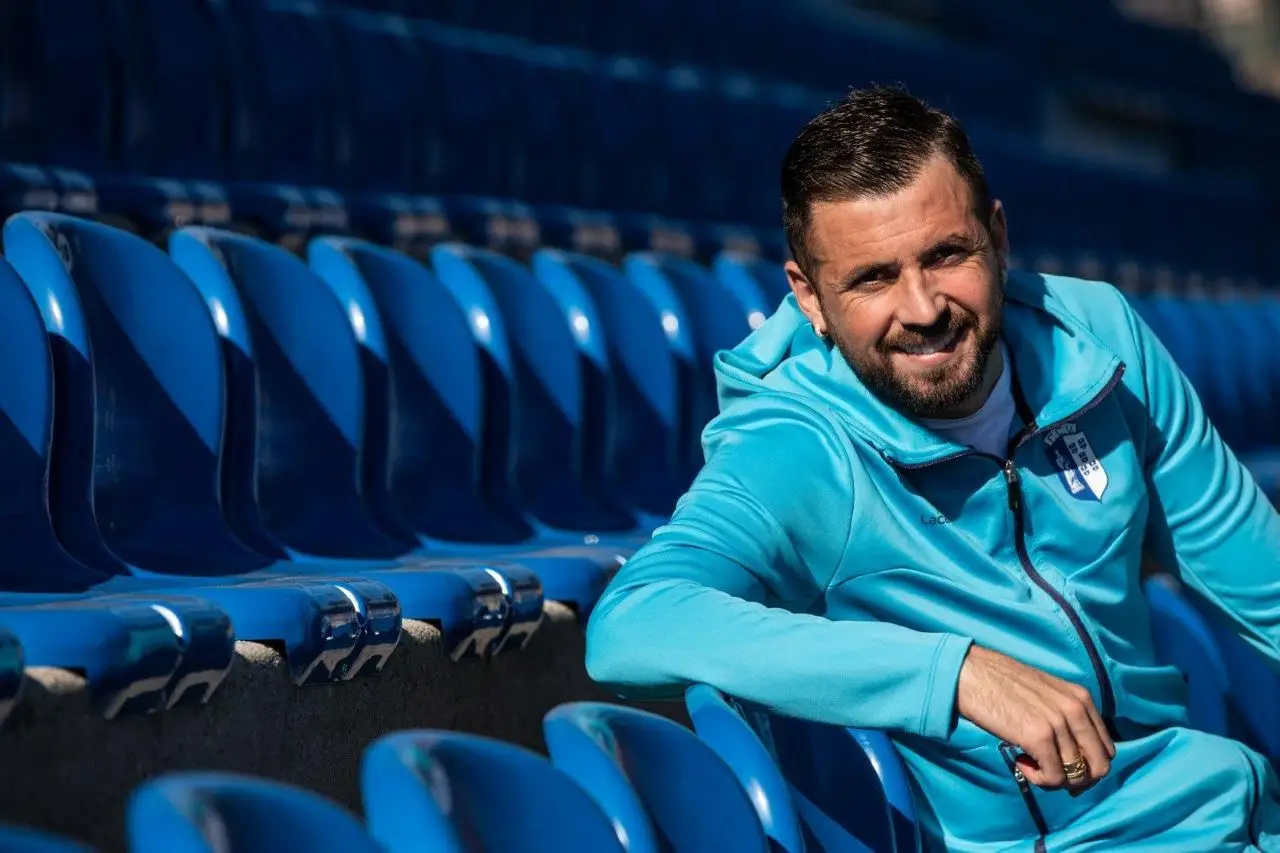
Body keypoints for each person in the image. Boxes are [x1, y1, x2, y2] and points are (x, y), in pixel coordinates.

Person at [584, 85, 1280, 851]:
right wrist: (957, 675)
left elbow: (1264, 582)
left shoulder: (1100, 339)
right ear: (810, 298)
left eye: (946, 255)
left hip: (1212, 808)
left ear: (999, 238)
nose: (922, 308)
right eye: (872, 278)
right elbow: (632, 623)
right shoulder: (798, 444)